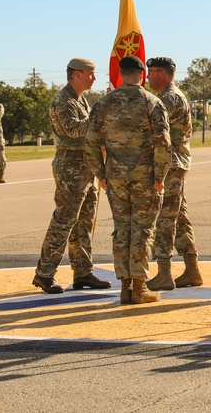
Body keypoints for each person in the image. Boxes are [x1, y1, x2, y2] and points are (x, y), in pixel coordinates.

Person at [85, 55, 171, 304]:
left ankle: (124, 286)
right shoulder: (151, 102)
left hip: (116, 178)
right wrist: (160, 176)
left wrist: (101, 174)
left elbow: (90, 141)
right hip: (145, 178)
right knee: (142, 230)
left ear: (121, 75)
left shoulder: (103, 103)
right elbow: (163, 143)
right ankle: (139, 287)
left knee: (122, 229)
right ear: (142, 74)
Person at [33, 57, 111, 294]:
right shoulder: (64, 100)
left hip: (86, 166)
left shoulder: (81, 99)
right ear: (77, 74)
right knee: (64, 220)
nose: (94, 78)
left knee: (84, 223)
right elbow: (74, 129)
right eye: (90, 73)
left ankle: (82, 272)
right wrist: (99, 117)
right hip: (70, 167)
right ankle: (44, 273)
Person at [145, 57, 203, 291]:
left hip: (169, 165)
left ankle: (164, 273)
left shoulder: (168, 98)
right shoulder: (170, 96)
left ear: (162, 74)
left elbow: (154, 133)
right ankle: (192, 269)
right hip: (175, 164)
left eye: (151, 72)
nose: (147, 77)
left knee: (165, 219)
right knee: (179, 219)